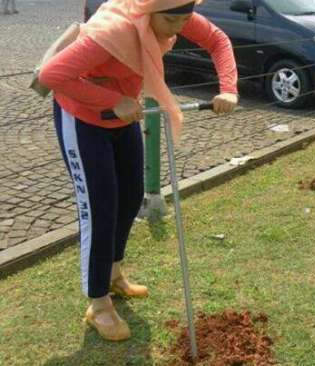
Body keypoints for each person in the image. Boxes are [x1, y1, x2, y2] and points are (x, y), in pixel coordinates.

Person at [38, 0, 238, 341]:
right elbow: (51, 75)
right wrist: (109, 100)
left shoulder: (174, 13)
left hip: (124, 115)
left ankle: (113, 274)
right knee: (100, 209)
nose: (178, 28)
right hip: (83, 116)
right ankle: (98, 304)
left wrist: (228, 88)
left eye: (184, 19)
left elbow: (218, 39)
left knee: (130, 197)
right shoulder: (115, 30)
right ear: (149, 12)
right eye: (171, 20)